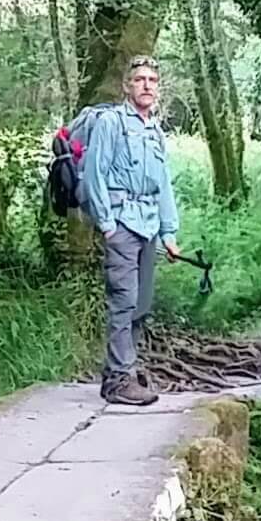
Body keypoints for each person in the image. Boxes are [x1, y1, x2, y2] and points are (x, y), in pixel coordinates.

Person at [79, 55, 180, 405]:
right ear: (127, 86)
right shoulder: (111, 123)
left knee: (141, 303)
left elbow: (163, 184)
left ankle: (122, 371)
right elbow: (94, 174)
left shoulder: (154, 130)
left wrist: (169, 232)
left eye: (153, 80)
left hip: (149, 225)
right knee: (123, 300)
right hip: (122, 222)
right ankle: (121, 379)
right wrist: (107, 224)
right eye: (140, 80)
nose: (147, 85)